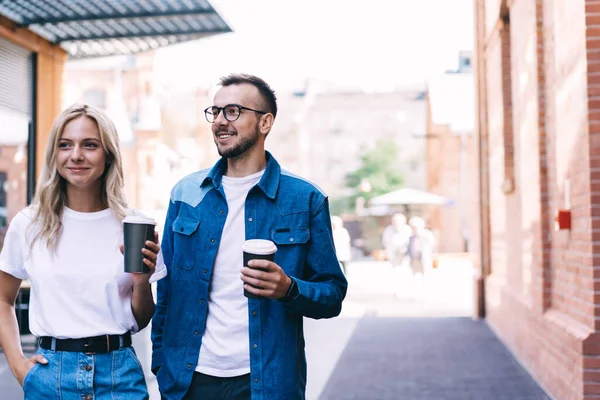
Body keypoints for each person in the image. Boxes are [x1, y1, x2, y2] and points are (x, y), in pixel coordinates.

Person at [151, 73, 348, 400]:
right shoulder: (185, 195)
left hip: (266, 383)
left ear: (265, 122)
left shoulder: (304, 199)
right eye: (215, 112)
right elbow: (167, 291)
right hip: (190, 380)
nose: (220, 121)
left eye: (233, 111)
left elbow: (333, 294)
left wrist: (288, 289)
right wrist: (162, 364)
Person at [0, 104, 167, 399]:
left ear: (109, 155)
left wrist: (142, 280)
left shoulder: (133, 225)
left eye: (90, 145)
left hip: (119, 378)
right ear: (55, 154)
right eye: (65, 145)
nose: (76, 155)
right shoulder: (29, 224)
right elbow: (2, 299)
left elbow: (140, 320)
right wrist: (18, 366)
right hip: (50, 376)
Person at [406, 216, 436, 295]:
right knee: (414, 274)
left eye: (415, 227)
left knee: (426, 274)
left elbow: (432, 244)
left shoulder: (426, 234)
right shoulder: (410, 236)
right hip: (414, 258)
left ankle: (426, 291)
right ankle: (416, 291)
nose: (414, 229)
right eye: (412, 227)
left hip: (424, 258)